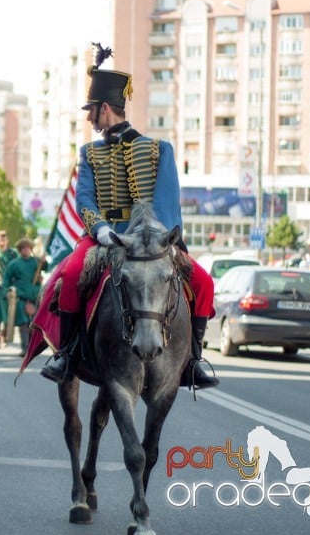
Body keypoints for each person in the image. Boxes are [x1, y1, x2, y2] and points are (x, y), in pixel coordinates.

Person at [40, 43, 219, 391]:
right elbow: (85, 199)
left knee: (204, 283)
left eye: (93, 111)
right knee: (74, 274)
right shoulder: (90, 153)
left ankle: (193, 361)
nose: (90, 118)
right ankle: (68, 353)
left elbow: (166, 202)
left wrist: (158, 239)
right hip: (105, 238)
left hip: (151, 241)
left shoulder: (158, 149)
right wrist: (102, 229)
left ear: (106, 108)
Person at [3, 239, 42, 356]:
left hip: (35, 296)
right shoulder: (14, 264)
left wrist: (43, 261)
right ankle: (25, 348)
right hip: (20, 298)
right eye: (23, 248)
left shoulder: (36, 262)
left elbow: (44, 267)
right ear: (20, 250)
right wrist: (9, 291)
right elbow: (6, 281)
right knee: (23, 324)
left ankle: (32, 347)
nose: (26, 250)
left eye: (28, 247)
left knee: (34, 324)